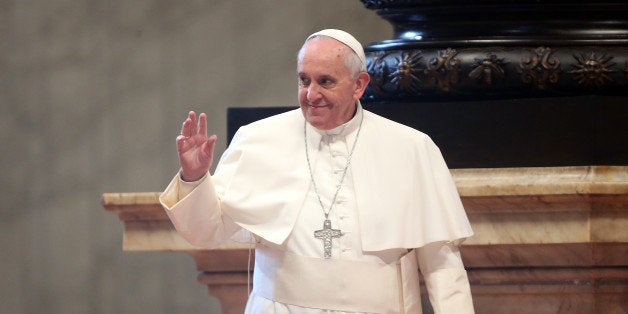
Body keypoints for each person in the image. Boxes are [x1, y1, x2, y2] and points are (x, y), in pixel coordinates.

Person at [160, 29, 474, 313]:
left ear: (359, 85)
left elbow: (441, 263)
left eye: (325, 81)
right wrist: (195, 177)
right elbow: (205, 231)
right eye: (303, 80)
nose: (311, 94)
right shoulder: (257, 140)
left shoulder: (411, 147)